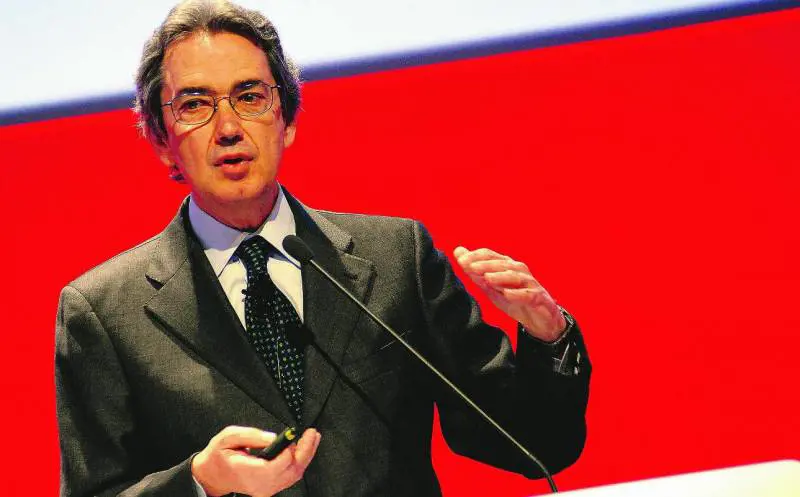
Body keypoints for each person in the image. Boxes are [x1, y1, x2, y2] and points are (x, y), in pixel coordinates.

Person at [55, 1, 591, 496]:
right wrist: (199, 482)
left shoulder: (395, 259)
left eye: (250, 97)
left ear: (287, 120)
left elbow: (535, 445)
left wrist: (549, 336)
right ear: (159, 138)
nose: (229, 128)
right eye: (195, 104)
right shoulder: (104, 312)